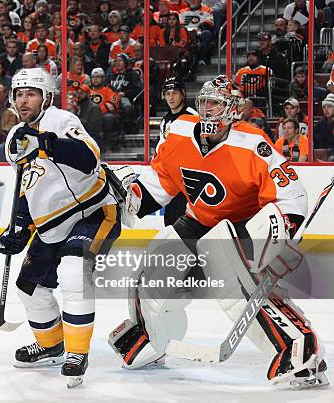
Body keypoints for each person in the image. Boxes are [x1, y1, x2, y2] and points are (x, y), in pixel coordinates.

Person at [109, 75, 327, 390]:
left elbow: (291, 193)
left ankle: (300, 348)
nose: (209, 110)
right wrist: (134, 195)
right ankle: (149, 337)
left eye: (216, 103)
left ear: (232, 109)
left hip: (239, 225)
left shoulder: (252, 143)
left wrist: (279, 235)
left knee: (234, 289)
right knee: (151, 272)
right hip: (196, 220)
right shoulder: (180, 133)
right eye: (204, 103)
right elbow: (161, 182)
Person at [0, 68, 120, 387]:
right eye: (19, 94)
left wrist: (44, 144)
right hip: (55, 222)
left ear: (46, 97)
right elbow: (27, 185)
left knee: (73, 272)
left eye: (31, 93)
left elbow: (88, 159)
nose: (24, 100)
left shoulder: (62, 121)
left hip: (93, 211)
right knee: (29, 287)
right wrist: (19, 229)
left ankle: (77, 352)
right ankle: (52, 345)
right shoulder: (14, 138)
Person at [158, 77, 198, 226]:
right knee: (170, 221)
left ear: (183, 94)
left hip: (189, 178)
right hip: (172, 178)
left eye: (174, 93)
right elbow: (162, 147)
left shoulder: (192, 116)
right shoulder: (165, 120)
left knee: (187, 222)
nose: (171, 97)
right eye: (167, 93)